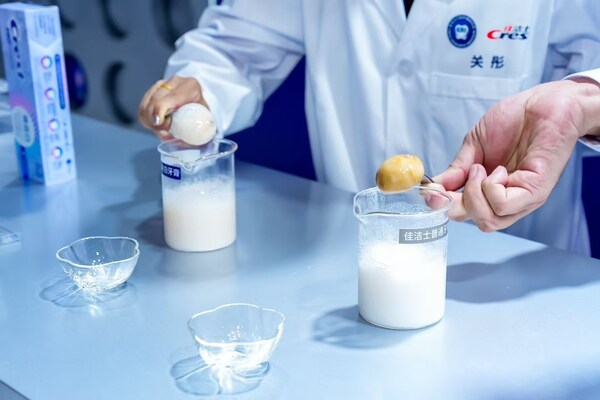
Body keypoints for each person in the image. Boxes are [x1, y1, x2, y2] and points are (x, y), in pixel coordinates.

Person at [138, 1, 600, 255]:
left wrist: (580, 103)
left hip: (518, 258)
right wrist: (202, 90)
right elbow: (236, 45)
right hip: (357, 259)